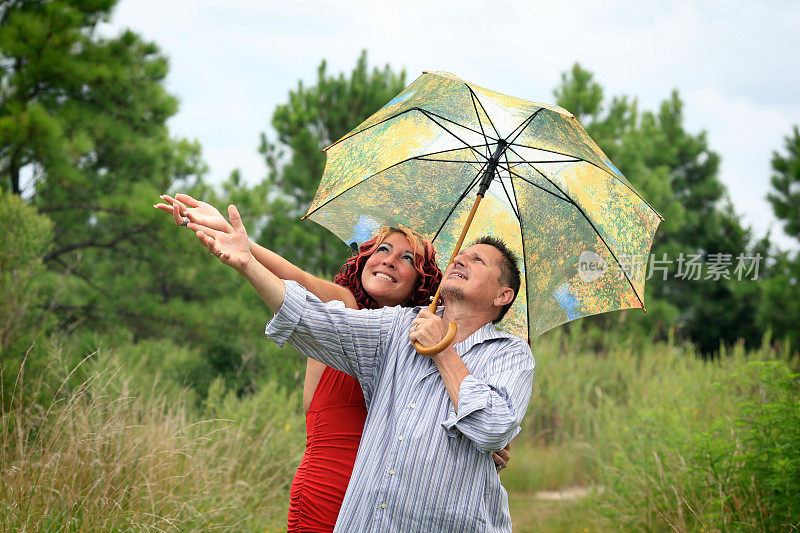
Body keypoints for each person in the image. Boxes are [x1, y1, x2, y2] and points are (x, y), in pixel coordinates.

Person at [155, 194, 512, 531]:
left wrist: (480, 446)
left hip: (390, 493)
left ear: (423, 284)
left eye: (407, 259)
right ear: (363, 260)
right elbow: (298, 281)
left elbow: (454, 407)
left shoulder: (421, 340)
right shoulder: (343, 306)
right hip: (332, 483)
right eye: (382, 249)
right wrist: (235, 239)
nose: (389, 259)